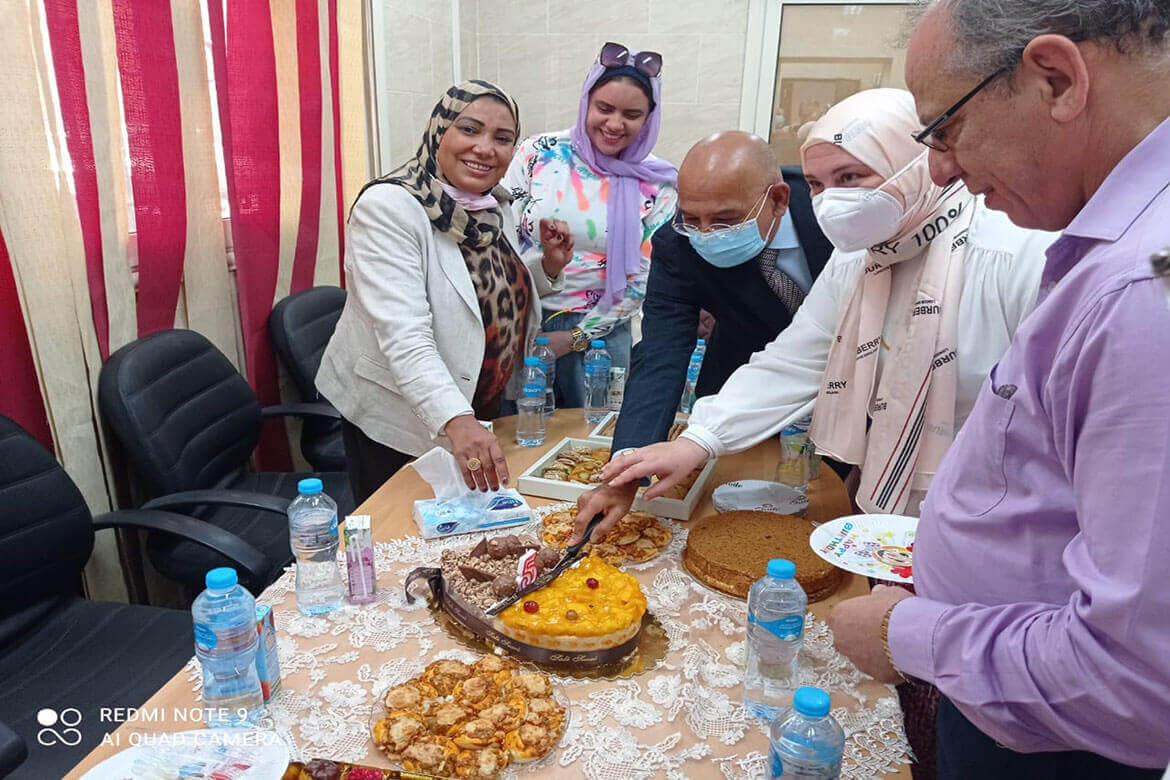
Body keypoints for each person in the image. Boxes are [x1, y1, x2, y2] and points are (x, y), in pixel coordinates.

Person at [827, 1, 1170, 777]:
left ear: (1055, 80)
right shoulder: (1109, 247)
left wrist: (907, 635)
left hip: (1057, 741)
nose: (941, 169)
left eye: (944, 129)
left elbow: (1141, 681)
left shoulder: (1144, 291)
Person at [584, 89, 1053, 536]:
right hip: (888, 481)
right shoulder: (861, 258)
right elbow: (798, 358)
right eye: (818, 184)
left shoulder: (1016, 253)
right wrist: (696, 440)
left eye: (851, 178)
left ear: (917, 164)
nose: (832, 202)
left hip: (1003, 498)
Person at [316, 81, 568, 505]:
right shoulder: (389, 209)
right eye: (469, 130)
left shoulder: (490, 206)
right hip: (402, 414)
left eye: (502, 138)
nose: (485, 148)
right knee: (405, 536)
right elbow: (405, 333)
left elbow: (491, 291)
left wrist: (548, 268)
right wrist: (456, 419)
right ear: (439, 132)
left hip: (479, 404)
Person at [577, 130, 834, 524]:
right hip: (738, 379)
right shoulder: (678, 244)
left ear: (778, 200)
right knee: (730, 504)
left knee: (828, 496)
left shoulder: (828, 209)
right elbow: (661, 354)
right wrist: (626, 468)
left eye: (725, 221)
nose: (706, 234)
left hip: (849, 378)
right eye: (691, 217)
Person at [504, 42, 677, 408]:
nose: (615, 124)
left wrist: (577, 337)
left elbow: (646, 276)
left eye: (632, 114)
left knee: (594, 445)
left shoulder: (658, 182)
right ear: (586, 102)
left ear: (649, 118)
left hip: (602, 339)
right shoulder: (539, 152)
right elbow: (506, 238)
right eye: (604, 108)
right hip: (524, 321)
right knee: (521, 434)